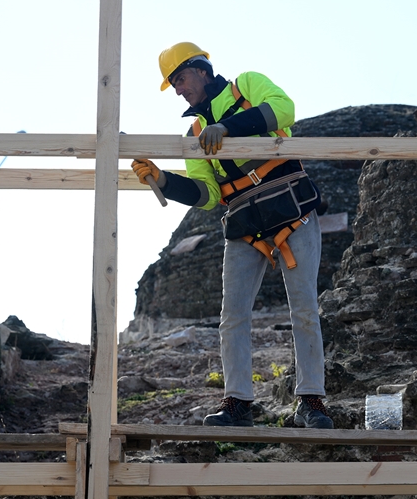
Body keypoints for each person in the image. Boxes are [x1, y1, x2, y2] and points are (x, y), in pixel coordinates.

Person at [131, 42, 333, 429]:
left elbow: (284, 109)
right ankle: (238, 403)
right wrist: (163, 180)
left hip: (290, 207)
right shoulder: (194, 133)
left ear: (202, 70)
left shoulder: (247, 86)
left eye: (180, 78)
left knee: (304, 309)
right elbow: (206, 195)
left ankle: (311, 402)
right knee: (233, 317)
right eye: (173, 84)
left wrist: (227, 127)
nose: (178, 89)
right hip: (245, 224)